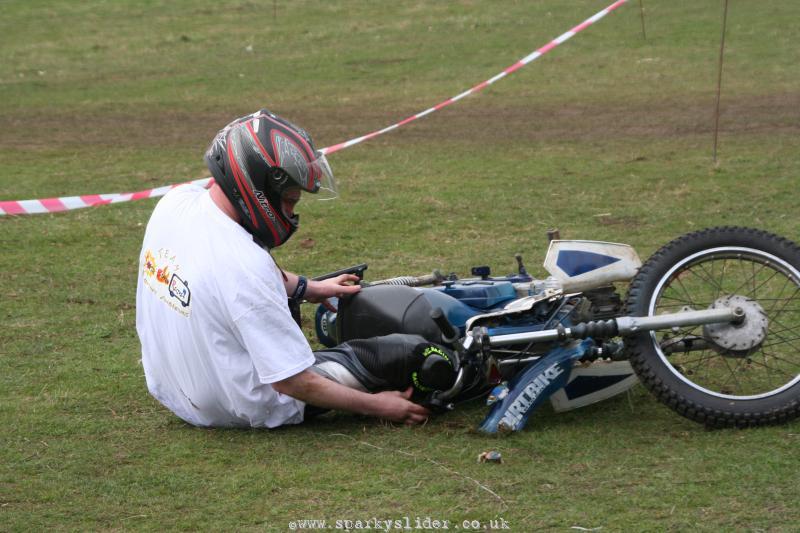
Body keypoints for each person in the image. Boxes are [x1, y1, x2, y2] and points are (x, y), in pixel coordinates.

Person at [135, 109, 447, 428]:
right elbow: (294, 383)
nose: (292, 213)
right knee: (415, 354)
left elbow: (218, 275)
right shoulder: (245, 267)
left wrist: (308, 288)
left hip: (175, 389)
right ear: (260, 186)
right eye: (290, 201)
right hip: (245, 405)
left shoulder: (175, 204)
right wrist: (377, 406)